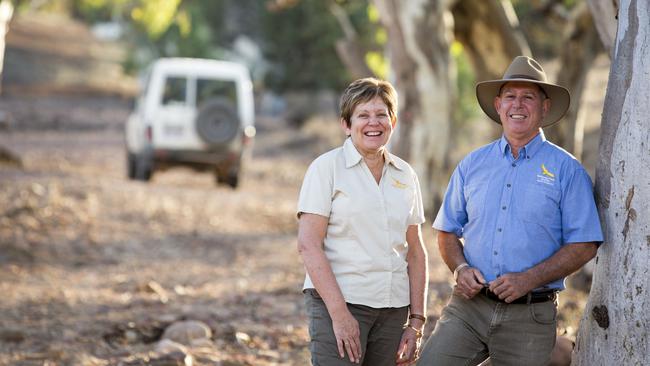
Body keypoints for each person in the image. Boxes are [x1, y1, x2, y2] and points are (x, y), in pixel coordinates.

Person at [418, 56, 603, 366]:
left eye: (528, 96)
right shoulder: (472, 165)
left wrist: (529, 279)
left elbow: (585, 244)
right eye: (510, 96)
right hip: (468, 308)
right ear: (498, 105)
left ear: (544, 107)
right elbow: (447, 230)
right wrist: (460, 268)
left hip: (530, 314)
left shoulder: (567, 170)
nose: (518, 104)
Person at [297, 77, 429, 366]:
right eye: (363, 115)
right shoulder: (326, 169)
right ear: (346, 124)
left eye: (382, 114)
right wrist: (340, 315)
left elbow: (415, 250)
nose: (374, 122)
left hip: (394, 309)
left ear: (392, 122)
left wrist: (416, 321)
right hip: (341, 302)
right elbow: (308, 245)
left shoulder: (405, 174)